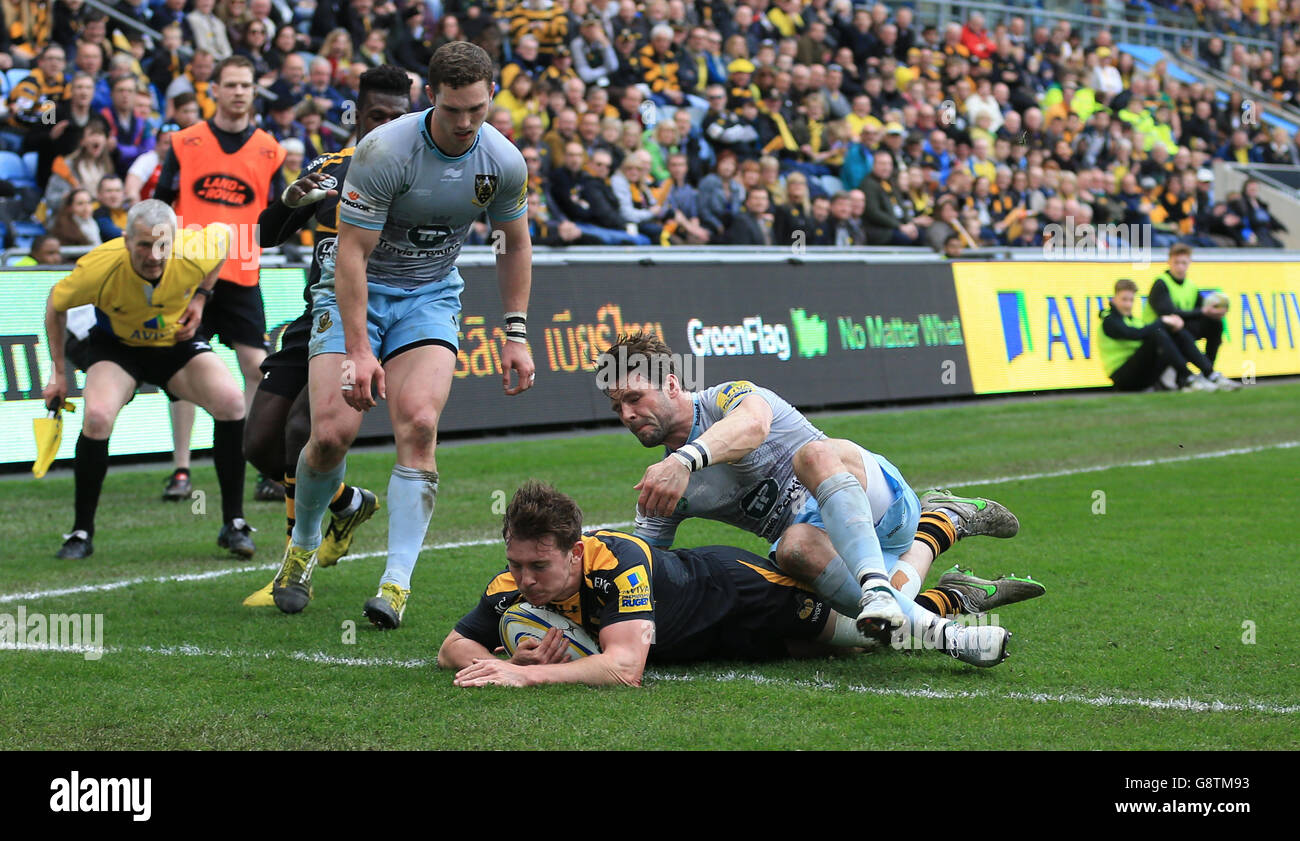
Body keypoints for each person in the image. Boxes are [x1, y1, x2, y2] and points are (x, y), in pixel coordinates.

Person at [271, 42, 535, 629]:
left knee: (419, 424)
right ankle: (303, 545)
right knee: (332, 434)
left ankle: (395, 583)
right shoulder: (384, 151)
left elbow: (514, 244)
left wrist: (515, 334)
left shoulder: (503, 161)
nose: (466, 123)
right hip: (357, 292)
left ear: (491, 96)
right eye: (453, 110)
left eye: (477, 109)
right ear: (430, 100)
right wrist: (361, 350)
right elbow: (351, 257)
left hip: (430, 297)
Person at [596, 333, 1041, 667]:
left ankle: (923, 570)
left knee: (814, 453)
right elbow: (643, 569)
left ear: (672, 384)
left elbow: (753, 427)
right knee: (846, 624)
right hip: (818, 548)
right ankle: (943, 566)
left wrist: (687, 460)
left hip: (871, 501)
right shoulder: (661, 486)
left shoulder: (728, 397)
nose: (629, 414)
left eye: (635, 397)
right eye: (618, 408)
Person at [240, 65, 412, 611]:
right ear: (357, 117)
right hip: (318, 313)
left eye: (398, 117)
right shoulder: (330, 172)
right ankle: (345, 501)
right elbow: (262, 237)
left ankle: (297, 564)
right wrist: (289, 204)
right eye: (377, 116)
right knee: (259, 443)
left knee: (303, 429)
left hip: (379, 320)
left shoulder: (419, 179)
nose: (387, 125)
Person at [441, 482, 892, 688]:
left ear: (575, 552)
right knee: (825, 653)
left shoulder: (619, 561)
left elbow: (623, 669)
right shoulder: (511, 584)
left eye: (539, 566)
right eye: (516, 565)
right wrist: (492, 661)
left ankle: (939, 541)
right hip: (710, 644)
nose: (525, 579)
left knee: (877, 633)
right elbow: (452, 648)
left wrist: (523, 674)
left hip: (741, 594)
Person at [41, 201, 252, 560]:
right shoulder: (99, 267)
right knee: (96, 418)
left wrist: (202, 298)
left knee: (232, 403)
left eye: (162, 245)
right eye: (142, 245)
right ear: (125, 241)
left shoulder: (194, 249)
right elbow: (55, 304)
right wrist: (58, 373)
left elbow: (229, 236)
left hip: (177, 345)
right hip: (119, 349)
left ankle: (234, 523)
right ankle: (81, 532)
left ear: (173, 239)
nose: (153, 255)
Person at [155, 55, 288, 507]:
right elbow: (160, 205)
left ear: (254, 91)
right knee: (182, 369)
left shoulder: (272, 149)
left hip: (242, 273)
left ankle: (257, 462)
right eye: (229, 84)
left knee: (257, 367)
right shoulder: (185, 141)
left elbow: (276, 214)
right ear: (213, 89)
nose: (237, 92)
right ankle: (181, 468)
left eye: (245, 85)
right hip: (190, 274)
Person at [1100, 278, 1225, 392]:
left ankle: (1209, 374)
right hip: (1123, 378)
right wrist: (1162, 321)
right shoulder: (1109, 321)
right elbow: (1133, 334)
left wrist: (1169, 325)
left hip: (1143, 376)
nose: (1128, 304)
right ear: (1113, 299)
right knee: (1158, 334)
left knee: (1174, 332)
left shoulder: (1134, 320)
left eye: (1131, 300)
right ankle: (1188, 378)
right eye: (1124, 299)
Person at [1144, 243, 1240, 390]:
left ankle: (1206, 372)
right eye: (1176, 262)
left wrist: (1215, 311)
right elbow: (1169, 313)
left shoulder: (1190, 285)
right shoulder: (1161, 283)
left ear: (1189, 263)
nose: (1180, 267)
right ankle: (1209, 375)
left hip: (1179, 331)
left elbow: (1202, 310)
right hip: (1157, 335)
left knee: (1215, 323)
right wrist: (1203, 311)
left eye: (1184, 263)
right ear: (1169, 262)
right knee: (1178, 327)